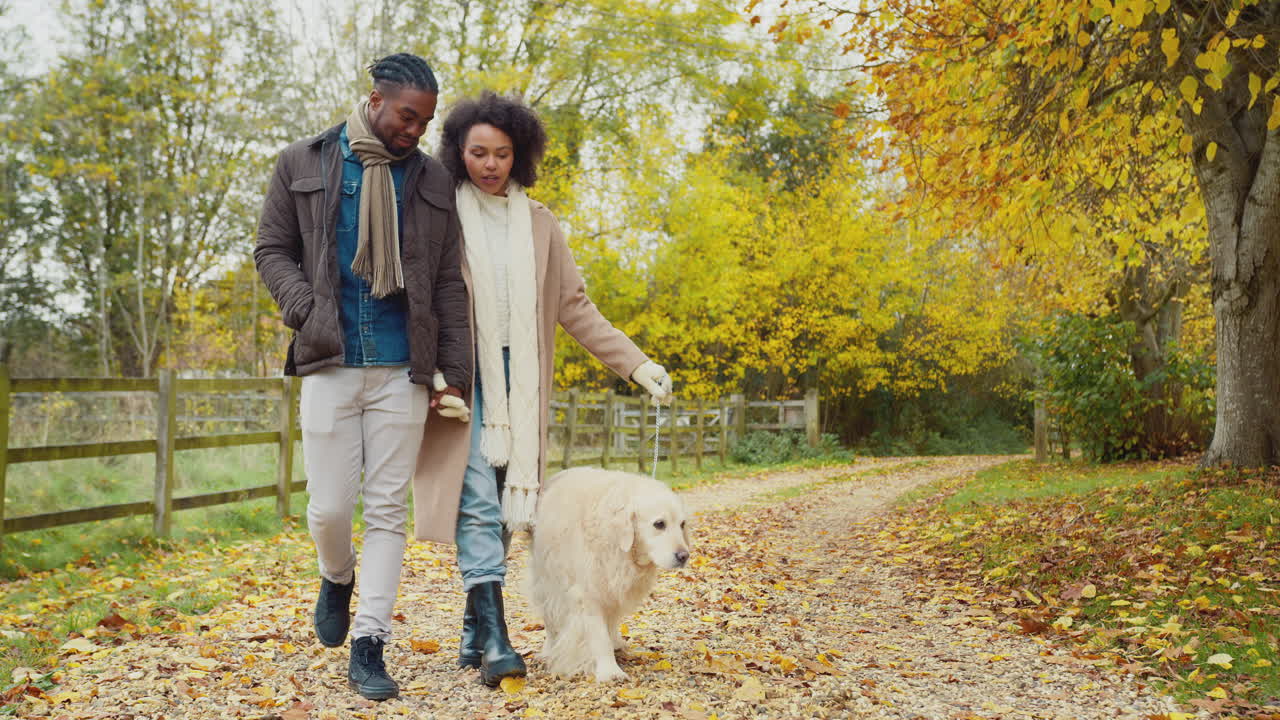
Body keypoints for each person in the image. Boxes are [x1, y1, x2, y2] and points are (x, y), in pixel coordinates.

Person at [411, 91, 674, 687]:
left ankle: (477, 621)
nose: (489, 164)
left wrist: (636, 365)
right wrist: (431, 373)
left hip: (522, 384)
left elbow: (575, 307)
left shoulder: (540, 224)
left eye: (502, 153)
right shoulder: (440, 216)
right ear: (458, 152)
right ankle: (498, 640)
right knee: (476, 499)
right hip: (462, 377)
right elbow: (420, 300)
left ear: (519, 156)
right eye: (477, 152)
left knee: (507, 506)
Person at [254, 53, 471, 701]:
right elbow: (272, 249)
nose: (415, 131)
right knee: (329, 510)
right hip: (329, 358)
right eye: (407, 116)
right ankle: (336, 575)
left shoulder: (433, 181)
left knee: (385, 512)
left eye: (426, 122)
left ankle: (370, 643)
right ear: (374, 99)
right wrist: (306, 309)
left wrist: (453, 374)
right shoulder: (303, 163)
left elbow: (447, 284)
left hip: (405, 366)